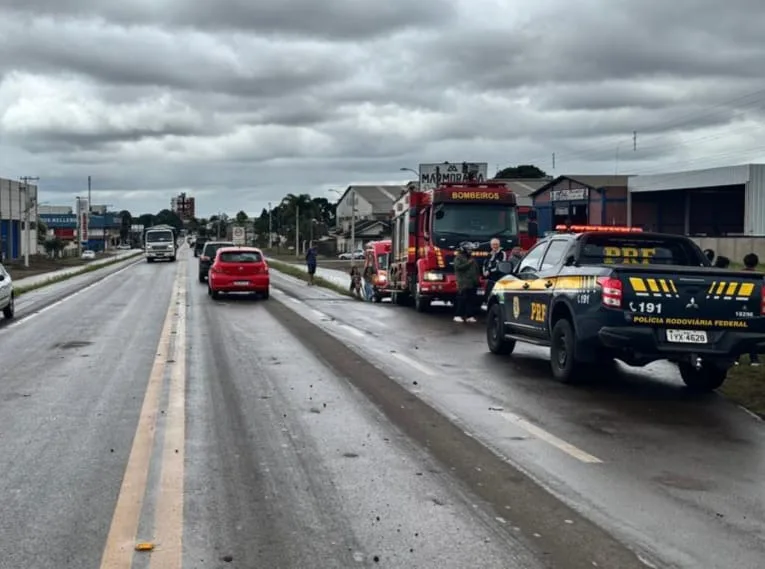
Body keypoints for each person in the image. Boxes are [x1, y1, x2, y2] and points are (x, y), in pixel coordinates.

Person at [453, 244, 480, 323]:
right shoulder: (459, 258)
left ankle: (470, 316)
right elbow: (458, 267)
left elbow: (476, 270)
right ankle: (458, 315)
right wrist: (469, 263)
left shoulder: (471, 259)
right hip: (463, 283)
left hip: (472, 282)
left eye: (471, 250)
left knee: (471, 300)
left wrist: (477, 280)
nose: (470, 251)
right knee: (462, 299)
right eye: (468, 249)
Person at [742, 253, 760, 366]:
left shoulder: (739, 274)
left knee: (739, 331)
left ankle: (736, 358)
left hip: (740, 307)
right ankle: (754, 359)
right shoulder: (757, 276)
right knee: (752, 333)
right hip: (753, 308)